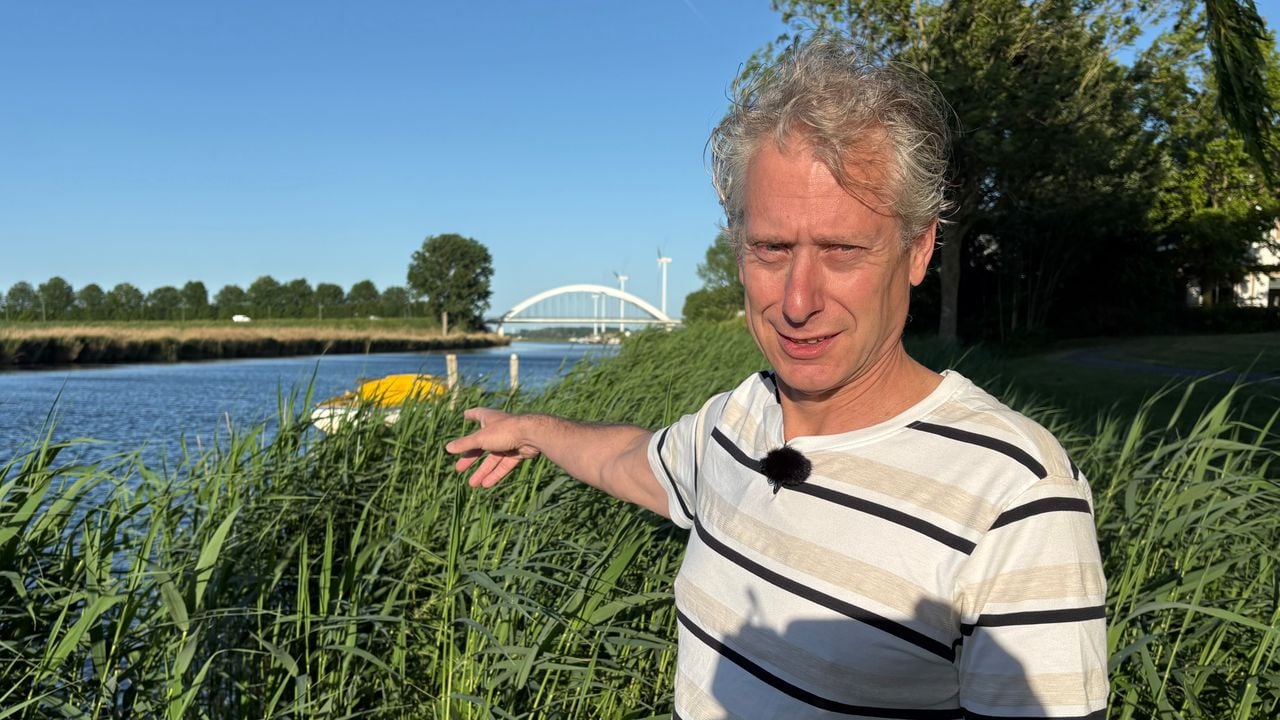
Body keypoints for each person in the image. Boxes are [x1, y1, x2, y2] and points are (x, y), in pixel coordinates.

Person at [446, 35, 1107, 720]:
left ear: (918, 250)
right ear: (737, 249)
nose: (797, 301)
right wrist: (534, 429)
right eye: (770, 248)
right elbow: (629, 460)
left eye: (842, 250)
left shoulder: (1014, 497)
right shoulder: (738, 420)